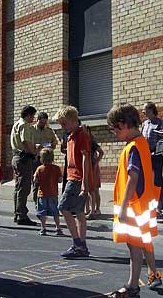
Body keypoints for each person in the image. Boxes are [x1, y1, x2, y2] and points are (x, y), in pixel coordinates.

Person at [107, 104, 162, 298]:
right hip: (144, 203)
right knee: (145, 240)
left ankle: (132, 287)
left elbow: (133, 177)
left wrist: (122, 207)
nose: (114, 134)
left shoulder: (133, 148)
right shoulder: (142, 143)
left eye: (114, 129)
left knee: (134, 246)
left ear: (122, 125)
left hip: (134, 206)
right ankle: (154, 275)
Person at [54, 105, 92, 257]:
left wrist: (84, 181)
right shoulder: (70, 136)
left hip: (76, 178)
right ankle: (82, 246)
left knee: (63, 207)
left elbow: (86, 158)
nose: (62, 127)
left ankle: (77, 243)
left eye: (64, 123)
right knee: (79, 212)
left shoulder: (81, 134)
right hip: (71, 176)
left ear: (74, 120)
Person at [10, 105, 38, 226]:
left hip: (16, 157)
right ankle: (21, 215)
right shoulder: (24, 125)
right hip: (24, 158)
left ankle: (18, 213)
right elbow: (25, 141)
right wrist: (33, 152)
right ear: (28, 115)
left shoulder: (16, 124)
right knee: (24, 187)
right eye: (33, 116)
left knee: (18, 187)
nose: (33, 118)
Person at [141, 102, 163, 218]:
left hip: (156, 155)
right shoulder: (145, 124)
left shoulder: (160, 122)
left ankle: (159, 207)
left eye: (145, 109)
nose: (143, 112)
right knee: (147, 182)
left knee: (157, 181)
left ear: (151, 110)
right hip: (146, 155)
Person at [33, 148, 63, 236]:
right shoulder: (56, 168)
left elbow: (35, 180)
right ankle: (58, 228)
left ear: (41, 158)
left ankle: (43, 228)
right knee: (55, 212)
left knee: (42, 212)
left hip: (42, 194)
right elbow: (60, 180)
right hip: (53, 194)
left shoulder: (40, 168)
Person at [32, 112, 58, 206]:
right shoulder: (31, 130)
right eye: (42, 123)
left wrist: (45, 145)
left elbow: (54, 143)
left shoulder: (49, 131)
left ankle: (48, 203)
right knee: (36, 182)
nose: (43, 125)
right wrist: (35, 146)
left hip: (47, 160)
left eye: (45, 123)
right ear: (37, 120)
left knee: (48, 181)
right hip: (36, 158)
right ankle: (37, 203)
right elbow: (27, 143)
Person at [84, 125, 104, 220]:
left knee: (95, 189)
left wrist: (96, 162)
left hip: (93, 167)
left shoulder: (92, 141)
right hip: (87, 167)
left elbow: (101, 152)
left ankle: (97, 209)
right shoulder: (83, 141)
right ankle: (87, 209)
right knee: (87, 190)